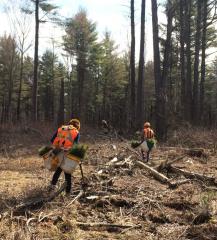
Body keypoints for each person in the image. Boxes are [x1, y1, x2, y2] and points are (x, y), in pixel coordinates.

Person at [49, 119, 80, 195]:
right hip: (67, 154)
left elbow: (52, 140)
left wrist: (60, 147)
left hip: (58, 152)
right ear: (77, 126)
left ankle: (51, 188)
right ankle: (68, 193)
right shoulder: (75, 132)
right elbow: (75, 146)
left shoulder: (61, 129)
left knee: (58, 171)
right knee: (67, 173)